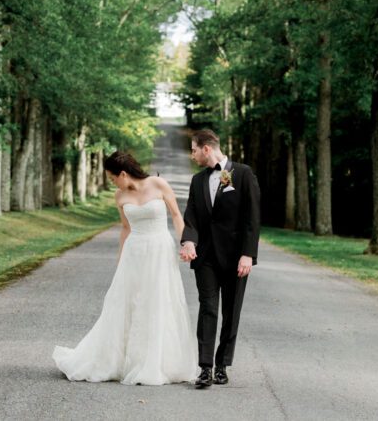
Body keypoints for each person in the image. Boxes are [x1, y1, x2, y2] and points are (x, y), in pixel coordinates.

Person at [53, 151, 197, 385]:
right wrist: (121, 259)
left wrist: (186, 243)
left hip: (159, 250)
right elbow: (125, 228)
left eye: (112, 179)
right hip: (135, 252)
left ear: (123, 173)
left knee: (158, 301)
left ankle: (158, 361)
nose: (112, 184)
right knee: (128, 303)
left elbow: (176, 215)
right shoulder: (120, 197)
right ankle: (124, 360)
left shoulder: (158, 184)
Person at [180, 128, 260, 388]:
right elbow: (191, 216)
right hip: (206, 258)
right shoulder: (197, 181)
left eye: (193, 150)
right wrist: (189, 240)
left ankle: (222, 364)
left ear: (206, 148)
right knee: (208, 308)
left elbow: (252, 218)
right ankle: (205, 368)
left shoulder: (241, 173)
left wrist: (248, 254)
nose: (192, 155)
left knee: (231, 311)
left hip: (236, 257)